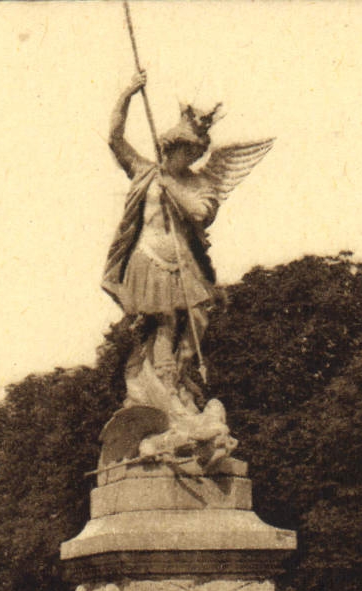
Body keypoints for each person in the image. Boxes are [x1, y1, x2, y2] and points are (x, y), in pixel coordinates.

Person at [102, 70, 272, 463]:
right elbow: (114, 138)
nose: (186, 158)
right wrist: (128, 93)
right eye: (182, 152)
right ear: (171, 146)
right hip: (148, 260)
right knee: (162, 325)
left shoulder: (197, 184)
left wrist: (173, 187)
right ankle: (163, 390)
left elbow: (200, 213)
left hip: (185, 266)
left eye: (192, 154)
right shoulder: (145, 172)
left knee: (194, 323)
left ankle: (180, 385)